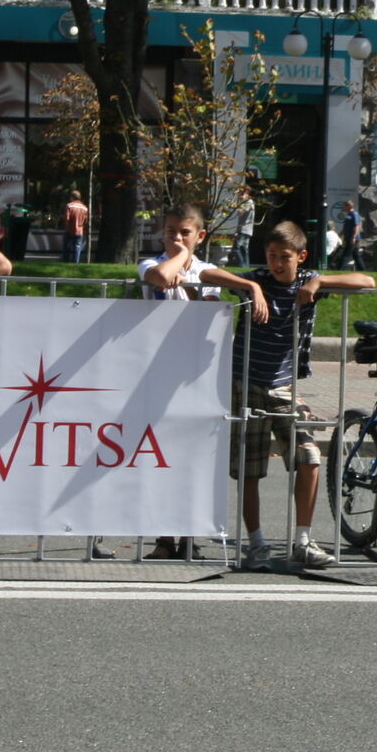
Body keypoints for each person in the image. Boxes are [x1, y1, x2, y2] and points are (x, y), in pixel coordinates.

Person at [206, 221, 373, 570]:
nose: (277, 264)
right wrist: (250, 286)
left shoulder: (307, 281)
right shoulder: (260, 280)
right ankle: (257, 544)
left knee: (309, 455)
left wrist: (319, 281)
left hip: (283, 386)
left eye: (285, 257)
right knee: (250, 469)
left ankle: (303, 540)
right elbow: (208, 274)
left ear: (301, 256)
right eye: (271, 256)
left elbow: (367, 282)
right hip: (245, 383)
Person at [134, 202, 223, 560]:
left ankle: (188, 535)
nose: (177, 237)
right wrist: (177, 259)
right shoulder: (150, 261)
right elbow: (157, 278)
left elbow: (206, 305)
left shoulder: (209, 270)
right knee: (158, 456)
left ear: (201, 236)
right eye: (171, 231)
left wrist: (187, 269)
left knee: (191, 457)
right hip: (154, 368)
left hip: (193, 373)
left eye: (185, 233)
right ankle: (162, 537)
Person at [62, 189, 90, 264]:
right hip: (79, 231)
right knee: (77, 247)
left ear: (72, 197)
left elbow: (67, 219)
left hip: (69, 229)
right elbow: (86, 221)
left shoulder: (69, 205)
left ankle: (65, 262)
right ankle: (76, 263)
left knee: (67, 247)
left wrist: (67, 226)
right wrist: (83, 228)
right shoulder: (85, 208)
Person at [337, 199, 362, 271]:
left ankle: (339, 269)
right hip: (347, 238)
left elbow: (356, 226)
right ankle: (362, 269)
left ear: (349, 206)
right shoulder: (348, 215)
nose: (343, 208)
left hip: (352, 239)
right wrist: (340, 234)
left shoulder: (354, 214)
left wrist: (354, 237)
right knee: (356, 256)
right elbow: (346, 227)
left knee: (345, 255)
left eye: (345, 206)